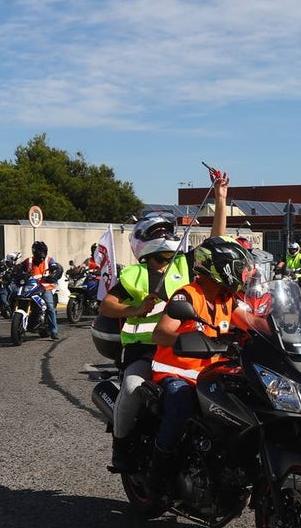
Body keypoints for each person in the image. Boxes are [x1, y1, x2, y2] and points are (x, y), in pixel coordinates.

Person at [99, 172, 230, 471]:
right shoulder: (135, 274)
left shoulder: (186, 264)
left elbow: (216, 241)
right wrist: (135, 309)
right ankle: (120, 447)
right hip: (145, 352)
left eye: (167, 231)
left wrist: (221, 199)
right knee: (131, 388)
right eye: (157, 232)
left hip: (190, 350)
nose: (165, 237)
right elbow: (108, 306)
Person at [148, 235, 253, 498]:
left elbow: (252, 322)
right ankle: (158, 473)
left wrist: (281, 332)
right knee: (180, 402)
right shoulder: (187, 295)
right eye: (237, 266)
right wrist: (192, 340)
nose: (242, 272)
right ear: (221, 268)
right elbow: (160, 334)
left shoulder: (227, 297)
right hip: (177, 373)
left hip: (212, 375)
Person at [18, 240, 63, 339]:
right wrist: (15, 274)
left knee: (50, 306)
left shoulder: (49, 260)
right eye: (39, 251)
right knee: (20, 297)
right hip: (31, 286)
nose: (42, 254)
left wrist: (54, 275)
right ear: (34, 251)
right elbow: (19, 268)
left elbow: (56, 268)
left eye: (43, 251)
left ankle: (54, 330)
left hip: (46, 286)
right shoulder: (28, 261)